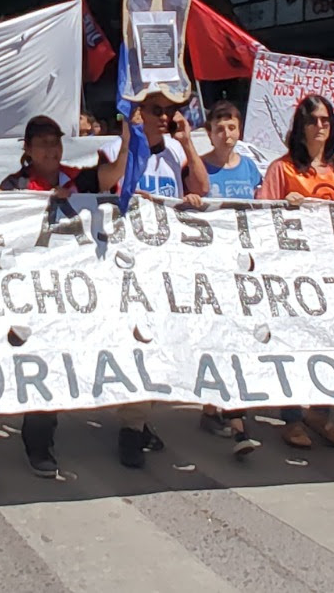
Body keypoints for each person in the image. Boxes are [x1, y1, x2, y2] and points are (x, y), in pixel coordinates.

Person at [0, 116, 129, 476]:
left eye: (54, 142)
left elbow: (114, 172)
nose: (50, 149)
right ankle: (39, 443)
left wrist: (128, 133)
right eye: (41, 143)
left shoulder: (79, 177)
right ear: (26, 149)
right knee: (42, 359)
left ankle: (137, 427)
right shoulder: (14, 187)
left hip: (76, 286)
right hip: (33, 288)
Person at [257, 94, 334, 449]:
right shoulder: (282, 169)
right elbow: (260, 217)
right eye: (313, 120)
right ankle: (291, 417)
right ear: (300, 127)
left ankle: (320, 412)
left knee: (331, 342)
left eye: (325, 120)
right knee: (294, 342)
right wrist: (281, 206)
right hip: (294, 272)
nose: (320, 126)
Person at [114, 88, 209, 468]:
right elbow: (111, 188)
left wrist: (187, 141)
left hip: (166, 262)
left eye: (171, 111)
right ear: (138, 114)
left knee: (157, 345)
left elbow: (201, 187)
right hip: (129, 262)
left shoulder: (174, 151)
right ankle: (131, 428)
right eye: (157, 110)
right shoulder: (121, 148)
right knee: (137, 341)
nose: (165, 117)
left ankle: (139, 419)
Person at [196, 101, 264, 456]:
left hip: (243, 268)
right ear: (209, 132)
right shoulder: (200, 167)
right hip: (210, 266)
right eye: (219, 128)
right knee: (216, 339)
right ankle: (233, 421)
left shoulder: (251, 168)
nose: (226, 134)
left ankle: (226, 413)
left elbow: (265, 207)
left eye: (232, 127)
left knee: (236, 340)